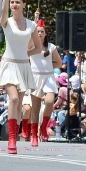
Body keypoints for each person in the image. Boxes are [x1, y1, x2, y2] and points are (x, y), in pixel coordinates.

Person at [0, 0, 37, 154]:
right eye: (12, 2)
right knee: (13, 99)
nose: (14, 5)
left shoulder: (31, 25)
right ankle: (11, 138)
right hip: (8, 65)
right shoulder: (6, 21)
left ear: (23, 5)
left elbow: (37, 47)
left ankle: (15, 136)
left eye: (17, 2)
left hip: (23, 66)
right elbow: (3, 11)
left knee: (19, 105)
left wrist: (26, 54)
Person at [28, 17, 61, 145]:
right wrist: (35, 21)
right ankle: (34, 135)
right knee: (35, 108)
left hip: (48, 77)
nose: (40, 33)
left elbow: (59, 63)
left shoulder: (51, 47)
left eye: (42, 31)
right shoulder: (31, 45)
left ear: (45, 33)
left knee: (49, 101)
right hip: (35, 77)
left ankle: (44, 126)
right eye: (38, 31)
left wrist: (49, 66)